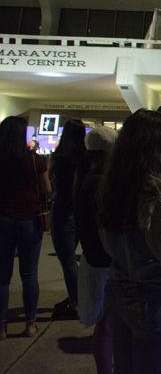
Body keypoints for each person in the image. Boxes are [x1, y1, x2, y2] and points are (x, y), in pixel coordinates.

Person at [98, 109, 161, 374]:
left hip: (118, 290)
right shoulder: (155, 189)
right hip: (153, 298)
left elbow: (107, 241)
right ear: (155, 145)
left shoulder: (113, 184)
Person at [0, 116, 51, 340]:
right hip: (29, 218)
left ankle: (1, 327)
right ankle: (30, 325)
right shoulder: (33, 160)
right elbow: (47, 189)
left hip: (2, 217)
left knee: (2, 276)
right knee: (29, 274)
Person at [73, 126, 117, 374]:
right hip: (104, 262)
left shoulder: (86, 176)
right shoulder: (99, 182)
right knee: (108, 324)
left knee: (104, 324)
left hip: (94, 260)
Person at [49, 118, 87, 318]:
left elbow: (54, 186)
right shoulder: (85, 159)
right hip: (81, 213)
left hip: (64, 212)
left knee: (67, 260)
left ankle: (76, 301)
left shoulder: (60, 158)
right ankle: (79, 296)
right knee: (74, 259)